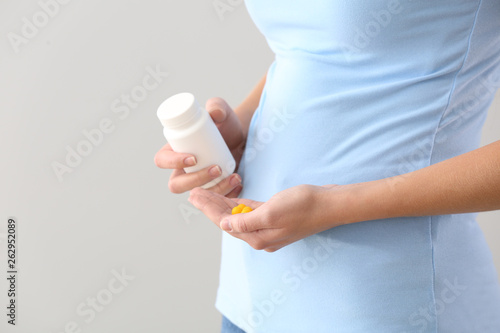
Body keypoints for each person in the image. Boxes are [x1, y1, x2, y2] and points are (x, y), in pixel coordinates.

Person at [155, 0, 500, 332]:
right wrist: (240, 127)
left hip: (387, 304)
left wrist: (335, 204)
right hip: (249, 302)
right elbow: (310, 48)